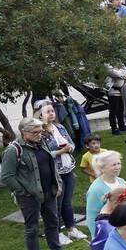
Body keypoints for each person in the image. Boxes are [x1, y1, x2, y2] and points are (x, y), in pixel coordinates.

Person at [2, 116, 81, 250]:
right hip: (29, 196)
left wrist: (57, 183)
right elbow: (7, 176)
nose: (39, 134)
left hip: (49, 192)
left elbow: (51, 163)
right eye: (35, 132)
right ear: (24, 132)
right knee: (32, 228)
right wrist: (23, 192)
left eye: (40, 131)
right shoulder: (13, 150)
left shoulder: (41, 142)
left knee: (53, 222)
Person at [35, 102, 87, 242]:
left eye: (52, 111)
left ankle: (71, 228)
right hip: (53, 171)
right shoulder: (40, 133)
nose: (52, 113)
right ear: (40, 115)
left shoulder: (60, 127)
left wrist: (69, 148)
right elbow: (43, 154)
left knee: (67, 202)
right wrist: (60, 151)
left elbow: (72, 143)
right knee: (55, 203)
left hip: (67, 168)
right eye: (48, 112)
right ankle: (57, 233)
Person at [85, 149, 126, 235]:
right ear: (102, 168)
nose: (117, 167)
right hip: (108, 232)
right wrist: (99, 238)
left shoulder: (121, 181)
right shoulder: (96, 189)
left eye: (118, 163)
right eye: (113, 165)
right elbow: (91, 218)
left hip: (125, 229)